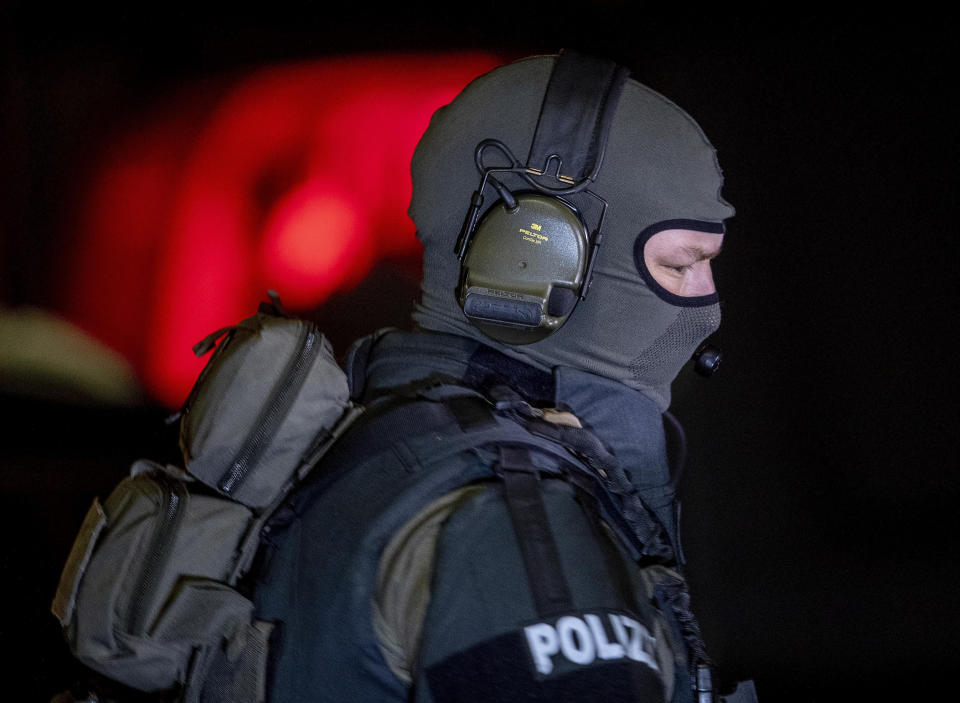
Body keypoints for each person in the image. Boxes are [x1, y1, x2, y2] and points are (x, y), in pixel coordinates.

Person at [250, 50, 739, 703]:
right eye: (681, 264)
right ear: (533, 255)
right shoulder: (510, 520)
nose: (706, 303)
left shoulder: (384, 437)